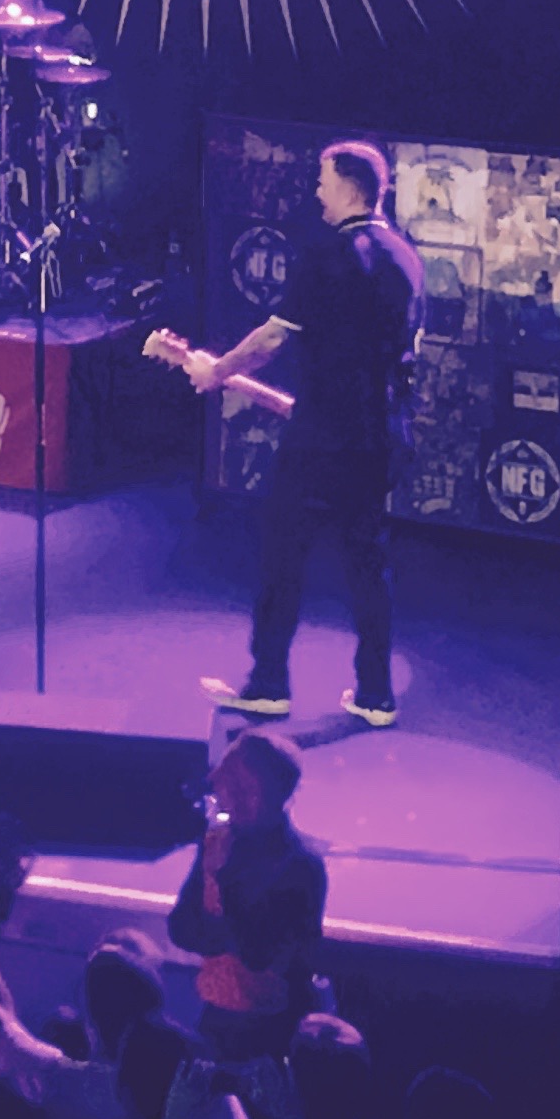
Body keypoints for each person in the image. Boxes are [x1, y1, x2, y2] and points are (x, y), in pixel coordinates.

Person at [180, 138, 422, 725]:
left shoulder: (327, 255)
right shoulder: (406, 258)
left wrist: (216, 370)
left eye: (323, 181)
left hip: (321, 438)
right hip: (383, 432)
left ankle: (268, 683)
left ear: (349, 187)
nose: (317, 192)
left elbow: (271, 338)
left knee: (283, 554)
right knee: (368, 561)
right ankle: (376, 695)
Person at [169, 731, 330, 1062]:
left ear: (258, 792)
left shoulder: (300, 865)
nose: (217, 785)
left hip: (275, 1034)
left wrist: (221, 881)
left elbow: (258, 955)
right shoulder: (216, 844)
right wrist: (222, 934)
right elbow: (180, 929)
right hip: (216, 1019)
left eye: (231, 779)